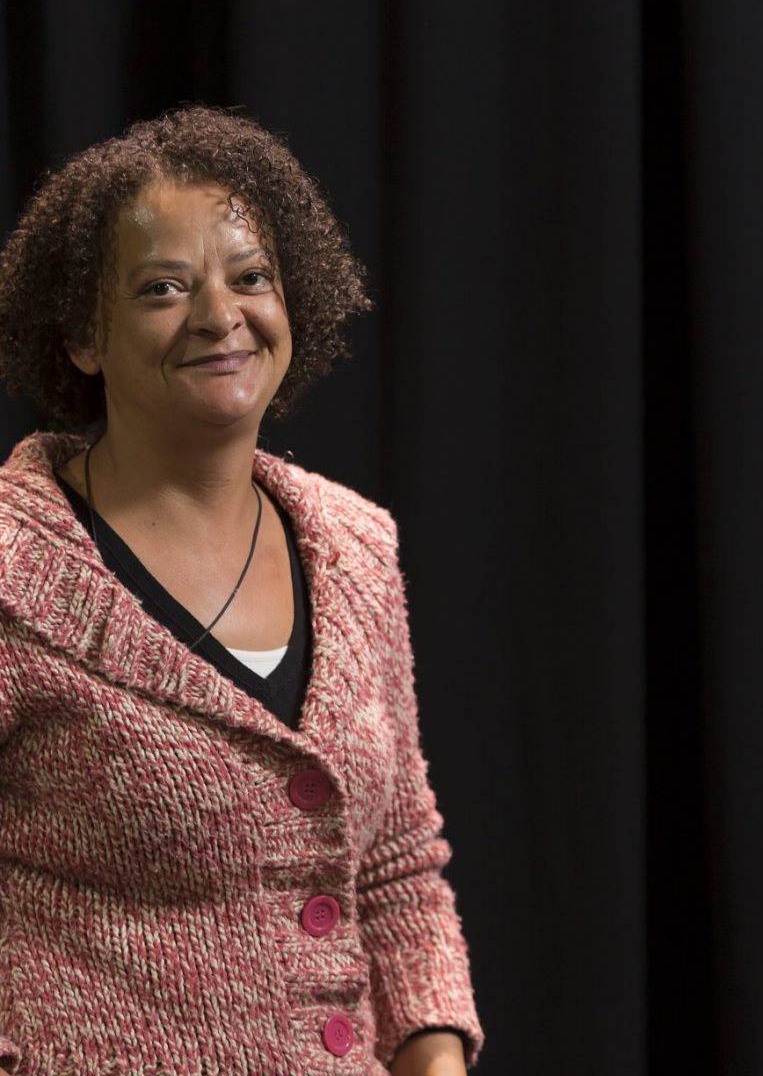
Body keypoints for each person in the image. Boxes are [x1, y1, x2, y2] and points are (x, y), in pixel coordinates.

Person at [0, 107, 483, 1076]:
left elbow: (394, 866)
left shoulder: (356, 544)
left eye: (251, 277)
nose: (220, 315)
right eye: (163, 288)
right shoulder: (12, 567)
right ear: (85, 337)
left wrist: (432, 1061)